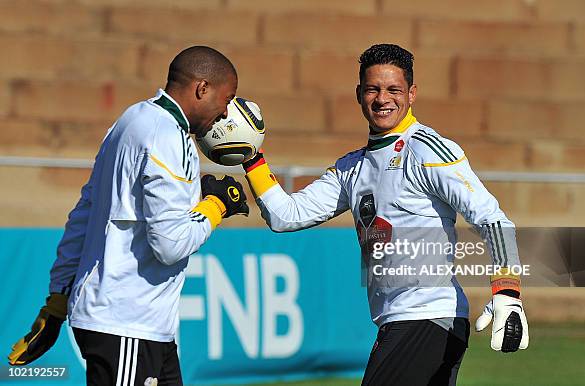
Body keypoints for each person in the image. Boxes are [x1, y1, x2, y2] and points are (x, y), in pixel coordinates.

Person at [241, 44, 529, 385]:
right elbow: (285, 215)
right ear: (359, 93)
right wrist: (251, 157)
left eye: (393, 89)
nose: (382, 99)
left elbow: (492, 219)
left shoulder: (426, 149)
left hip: (428, 316)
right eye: (373, 89)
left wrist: (507, 292)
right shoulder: (352, 167)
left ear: (411, 94)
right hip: (399, 319)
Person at [8, 46, 249, 386]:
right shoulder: (167, 136)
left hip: (143, 327)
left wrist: (58, 300)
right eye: (227, 99)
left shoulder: (131, 119)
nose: (225, 114)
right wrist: (216, 205)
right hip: (127, 325)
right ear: (201, 89)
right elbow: (170, 244)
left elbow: (85, 214)